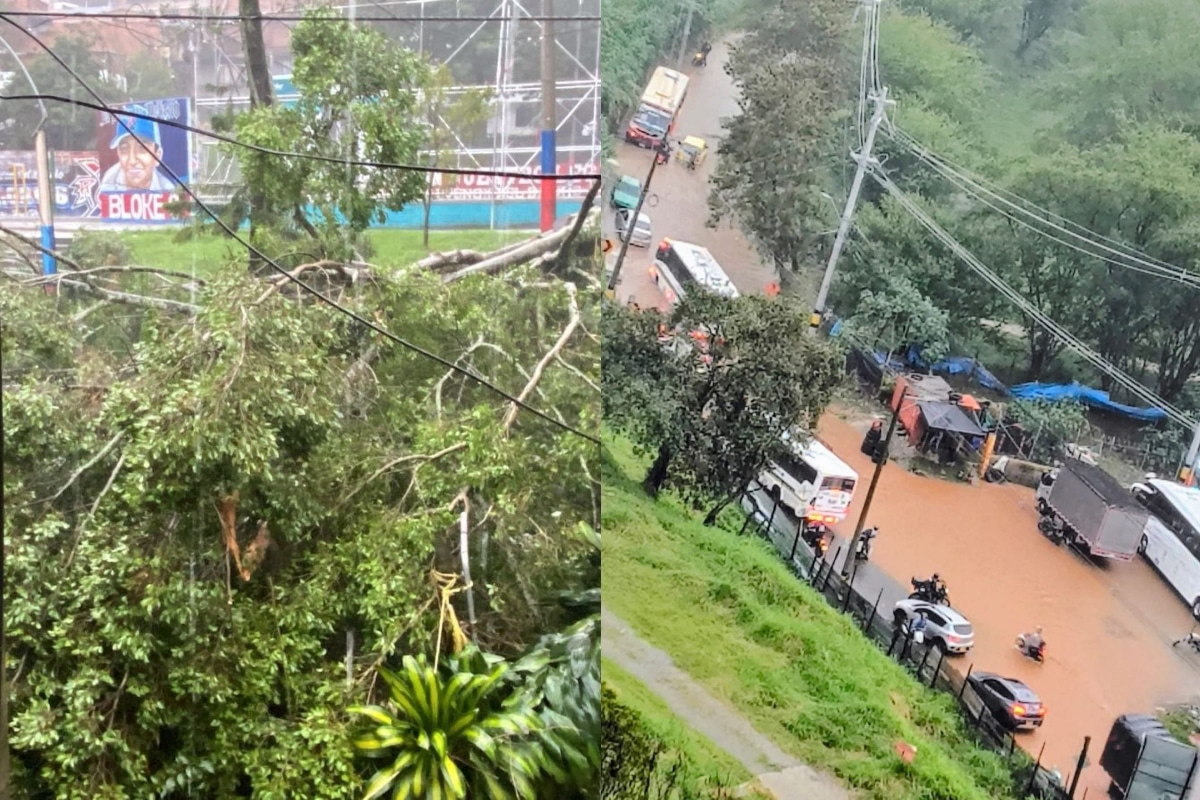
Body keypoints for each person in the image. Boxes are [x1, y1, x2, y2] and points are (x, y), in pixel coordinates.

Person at [99, 106, 179, 192]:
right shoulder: (109, 183)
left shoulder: (167, 189)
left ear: (157, 156)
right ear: (118, 153)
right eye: (124, 149)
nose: (132, 161)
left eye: (142, 149)